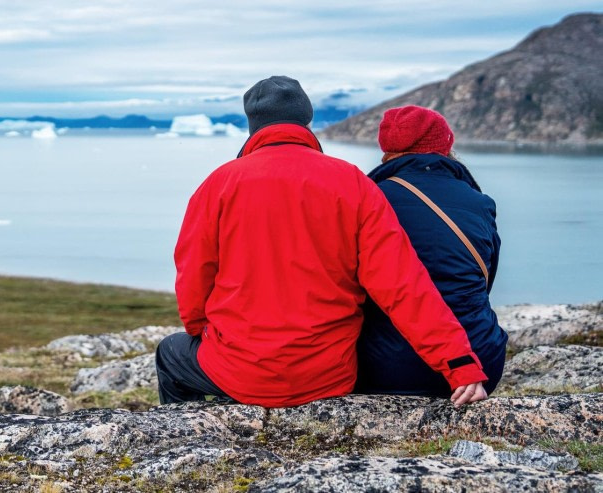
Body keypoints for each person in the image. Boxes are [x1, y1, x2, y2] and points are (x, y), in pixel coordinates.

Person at [155, 76, 490, 409]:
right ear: (307, 120)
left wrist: (202, 330)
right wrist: (458, 363)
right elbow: (402, 285)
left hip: (239, 372)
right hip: (328, 378)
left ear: (252, 126)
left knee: (170, 353)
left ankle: (193, 429)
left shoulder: (218, 185)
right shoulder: (352, 182)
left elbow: (193, 275)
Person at [356, 106, 508, 396]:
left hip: (388, 368)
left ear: (386, 151)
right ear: (446, 146)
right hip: (482, 360)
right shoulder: (479, 201)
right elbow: (486, 279)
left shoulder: (370, 198)